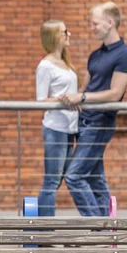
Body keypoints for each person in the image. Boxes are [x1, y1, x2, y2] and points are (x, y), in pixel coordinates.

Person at [59, 2, 127, 216]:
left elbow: (115, 93)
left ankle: (97, 229)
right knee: (95, 177)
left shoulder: (125, 55)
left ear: (110, 23)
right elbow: (86, 87)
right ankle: (108, 233)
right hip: (85, 122)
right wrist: (71, 97)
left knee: (74, 176)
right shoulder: (95, 55)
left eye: (95, 23)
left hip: (100, 123)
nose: (91, 27)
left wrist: (82, 96)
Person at [36, 19, 79, 216]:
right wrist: (61, 99)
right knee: (52, 180)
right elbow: (41, 99)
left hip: (71, 127)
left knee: (69, 177)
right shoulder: (45, 66)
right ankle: (45, 231)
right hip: (55, 128)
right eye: (65, 32)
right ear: (54, 36)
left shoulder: (65, 62)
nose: (69, 34)